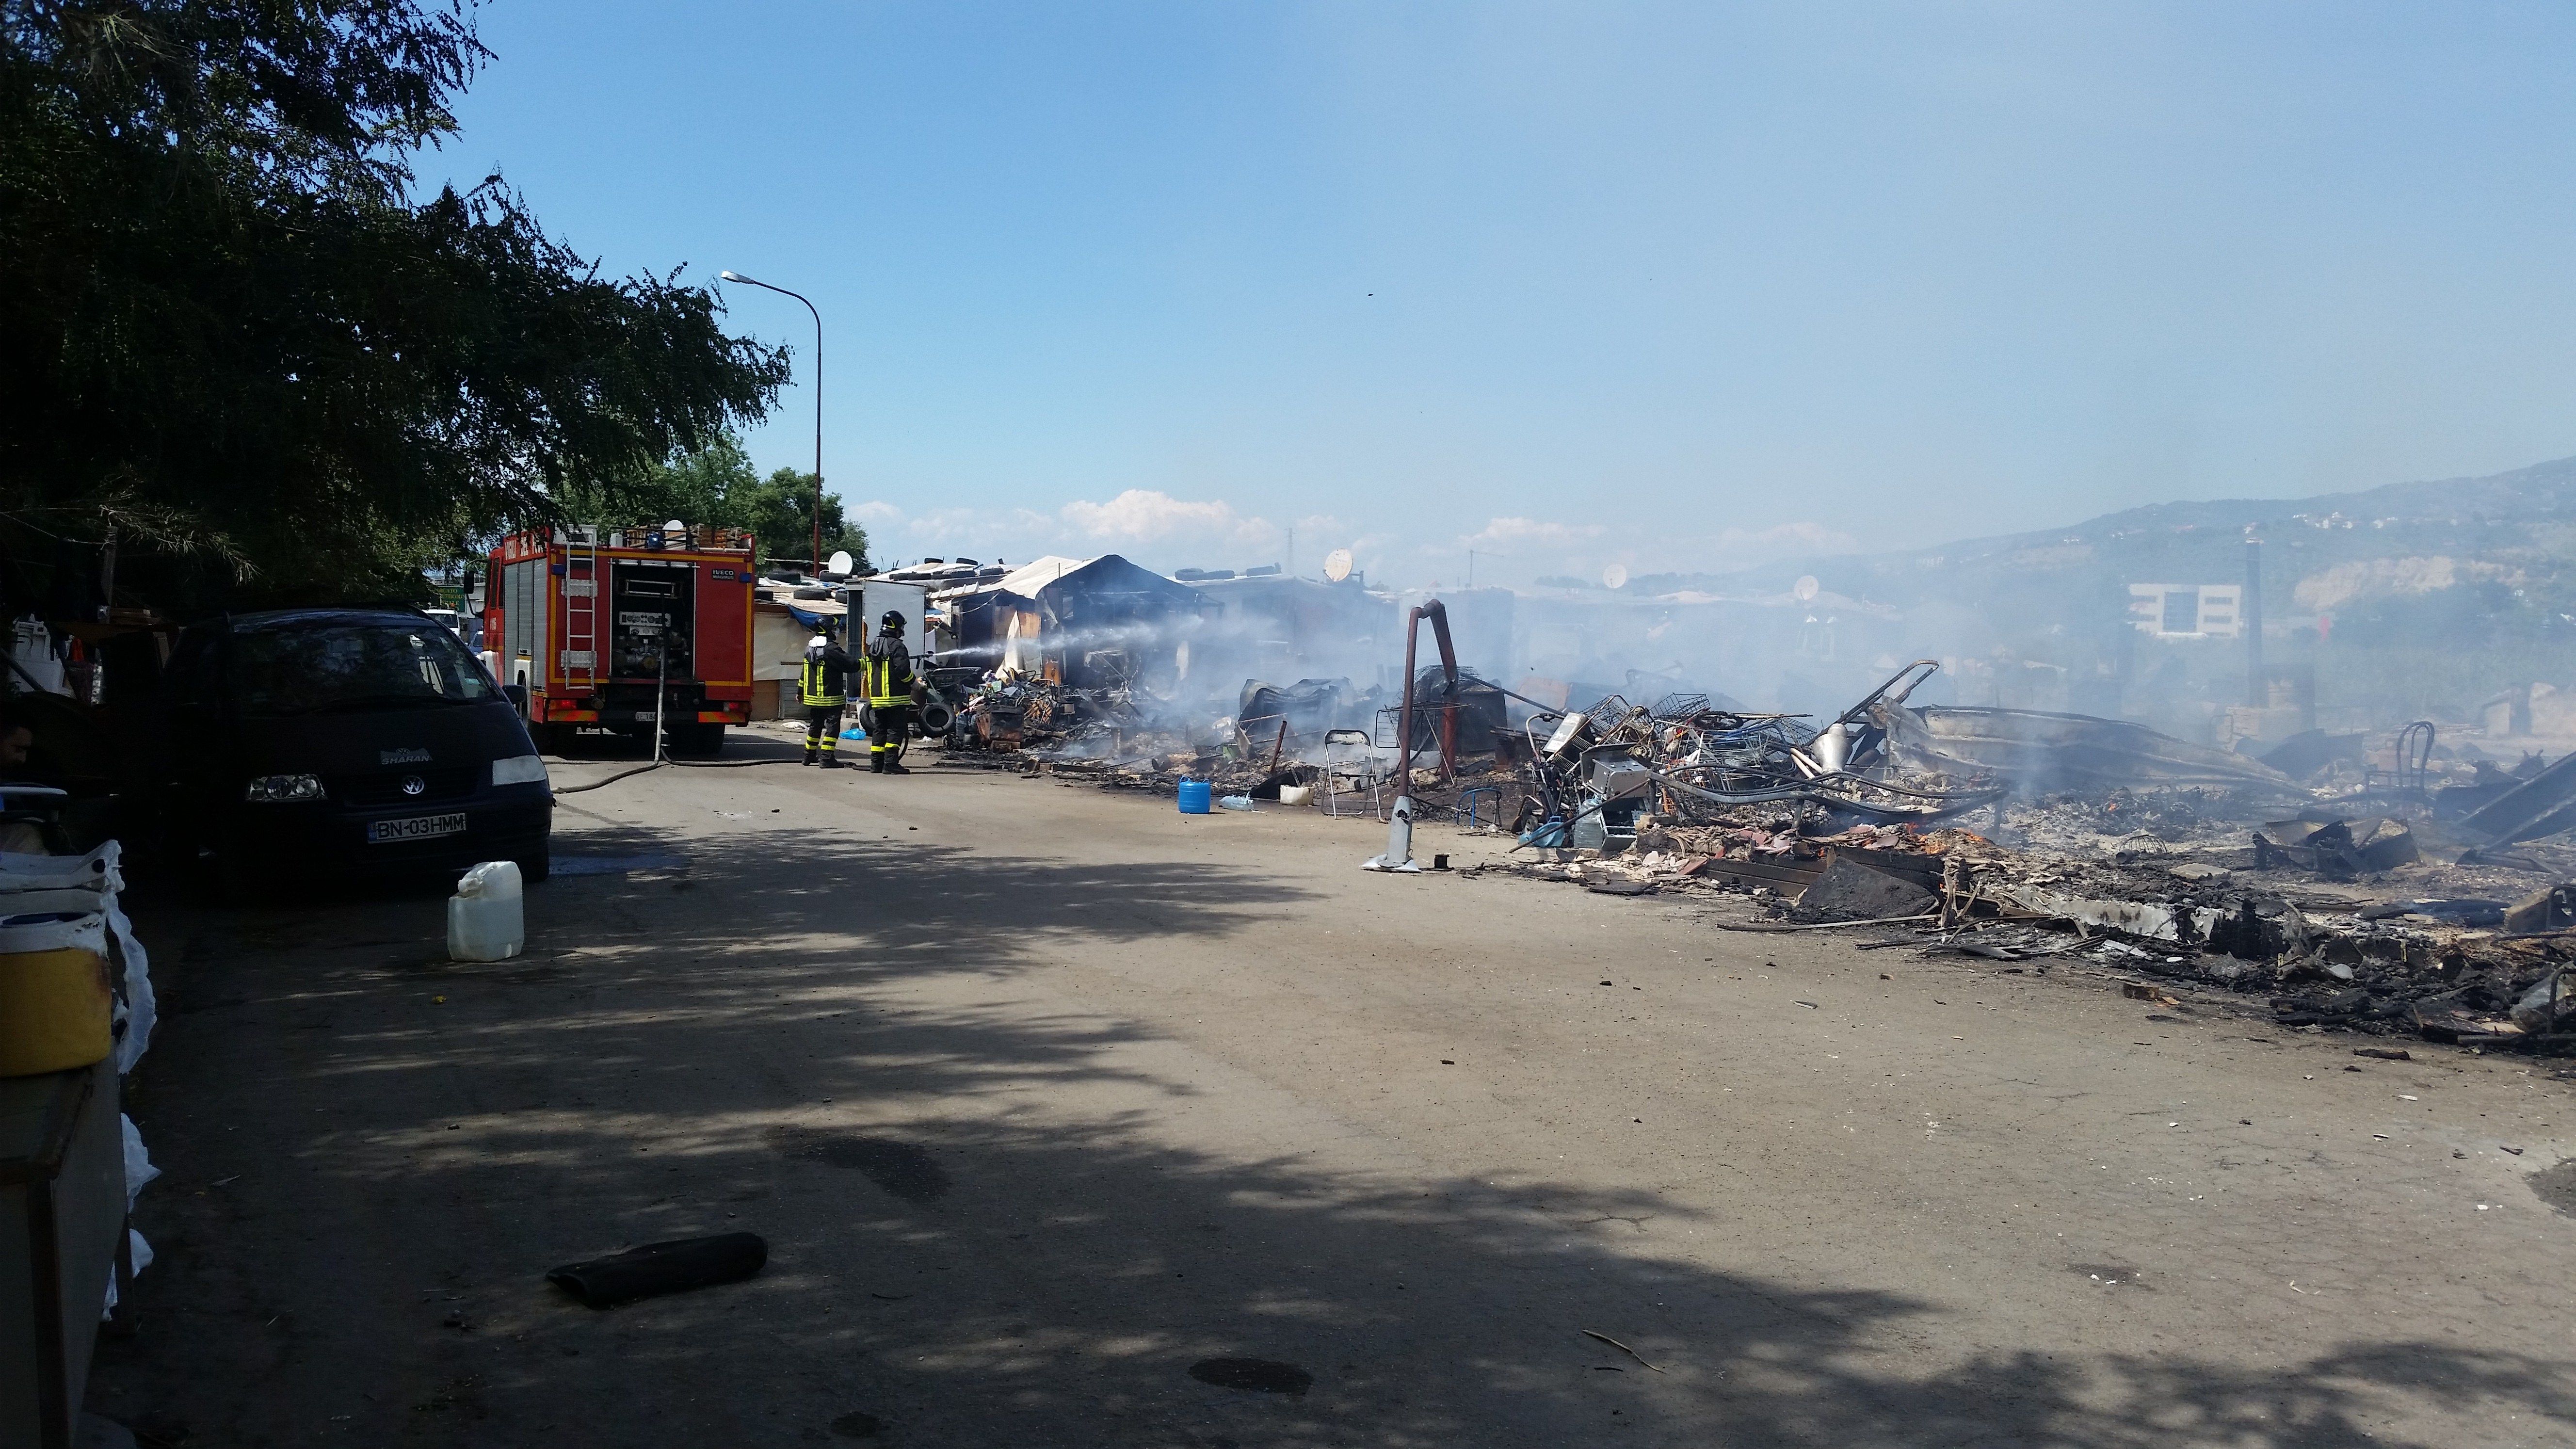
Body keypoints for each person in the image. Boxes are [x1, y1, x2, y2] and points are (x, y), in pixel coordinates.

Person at [862, 610, 921, 774]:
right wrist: (915, 684)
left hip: (878, 699)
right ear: (897, 626)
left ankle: (876, 765)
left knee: (879, 730)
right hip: (895, 698)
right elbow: (902, 671)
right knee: (895, 731)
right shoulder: (897, 646)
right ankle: (890, 764)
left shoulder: (874, 645)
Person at [798, 625, 859, 768]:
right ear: (829, 630)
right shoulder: (832, 650)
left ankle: (808, 756)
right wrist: (868, 663)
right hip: (831, 697)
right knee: (832, 728)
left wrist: (800, 691)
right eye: (835, 628)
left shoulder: (809, 648)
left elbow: (804, 673)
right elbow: (851, 664)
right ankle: (826, 758)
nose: (836, 632)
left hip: (814, 698)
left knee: (815, 726)